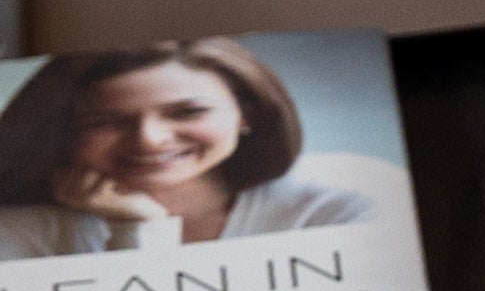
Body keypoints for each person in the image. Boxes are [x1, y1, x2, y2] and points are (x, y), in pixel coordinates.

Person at [0, 45, 373, 254]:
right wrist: (135, 228)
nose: (150, 139)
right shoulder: (18, 229)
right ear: (62, 130)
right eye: (106, 121)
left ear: (248, 115)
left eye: (189, 112)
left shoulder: (343, 201)